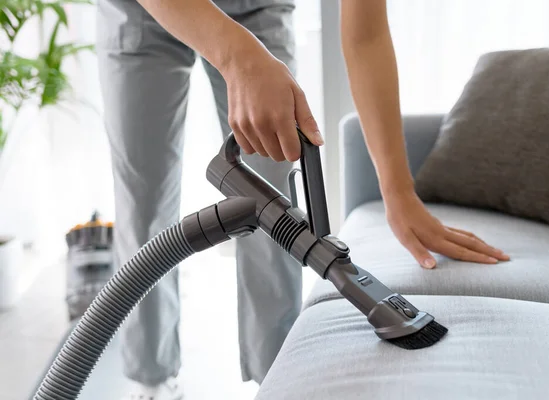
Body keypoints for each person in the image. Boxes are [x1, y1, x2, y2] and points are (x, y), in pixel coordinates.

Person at [97, 0, 510, 399]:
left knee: (273, 206)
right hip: (143, 10)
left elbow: (365, 37)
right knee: (144, 200)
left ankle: (274, 376)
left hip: (256, 6)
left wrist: (398, 191)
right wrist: (237, 57)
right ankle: (151, 379)